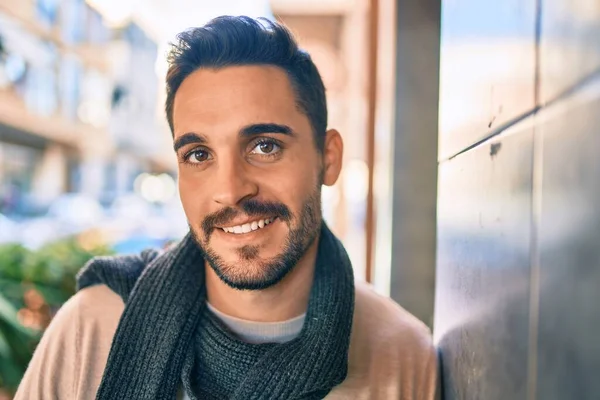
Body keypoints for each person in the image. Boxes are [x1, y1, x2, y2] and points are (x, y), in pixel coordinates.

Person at [15, 16, 438, 400]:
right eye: (199, 154)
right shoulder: (92, 328)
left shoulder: (401, 356)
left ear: (328, 158)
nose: (230, 190)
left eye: (265, 146)